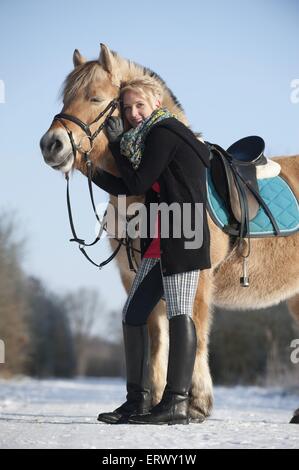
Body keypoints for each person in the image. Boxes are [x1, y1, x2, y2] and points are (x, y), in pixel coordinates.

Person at [92, 77, 211, 425]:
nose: (132, 114)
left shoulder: (166, 132)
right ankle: (138, 400)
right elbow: (127, 184)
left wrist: (115, 146)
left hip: (183, 238)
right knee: (133, 314)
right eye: (127, 108)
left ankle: (176, 401)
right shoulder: (144, 140)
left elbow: (139, 182)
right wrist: (92, 170)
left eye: (139, 105)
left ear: (156, 102)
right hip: (160, 239)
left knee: (178, 314)